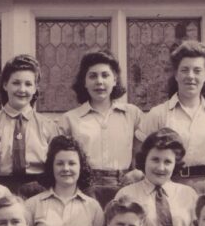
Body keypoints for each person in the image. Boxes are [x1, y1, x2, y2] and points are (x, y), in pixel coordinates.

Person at [139, 41, 205, 193]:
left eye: (197, 71)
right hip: (169, 188)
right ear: (176, 74)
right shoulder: (158, 114)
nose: (190, 76)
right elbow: (140, 157)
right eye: (185, 70)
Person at [61, 50, 144, 206]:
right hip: (85, 188)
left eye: (105, 75)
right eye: (92, 76)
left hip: (125, 187)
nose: (99, 81)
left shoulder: (132, 114)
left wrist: (139, 171)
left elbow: (146, 150)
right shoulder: (69, 119)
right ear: (84, 82)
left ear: (115, 80)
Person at [115, 128, 198, 226]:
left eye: (167, 162)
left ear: (175, 164)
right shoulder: (127, 194)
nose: (161, 167)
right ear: (144, 159)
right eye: (155, 160)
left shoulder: (188, 194)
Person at [0, 54, 61, 195]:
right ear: (5, 85)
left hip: (39, 190)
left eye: (28, 84)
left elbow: (57, 164)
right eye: (16, 83)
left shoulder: (49, 127)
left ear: (35, 88)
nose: (22, 89)